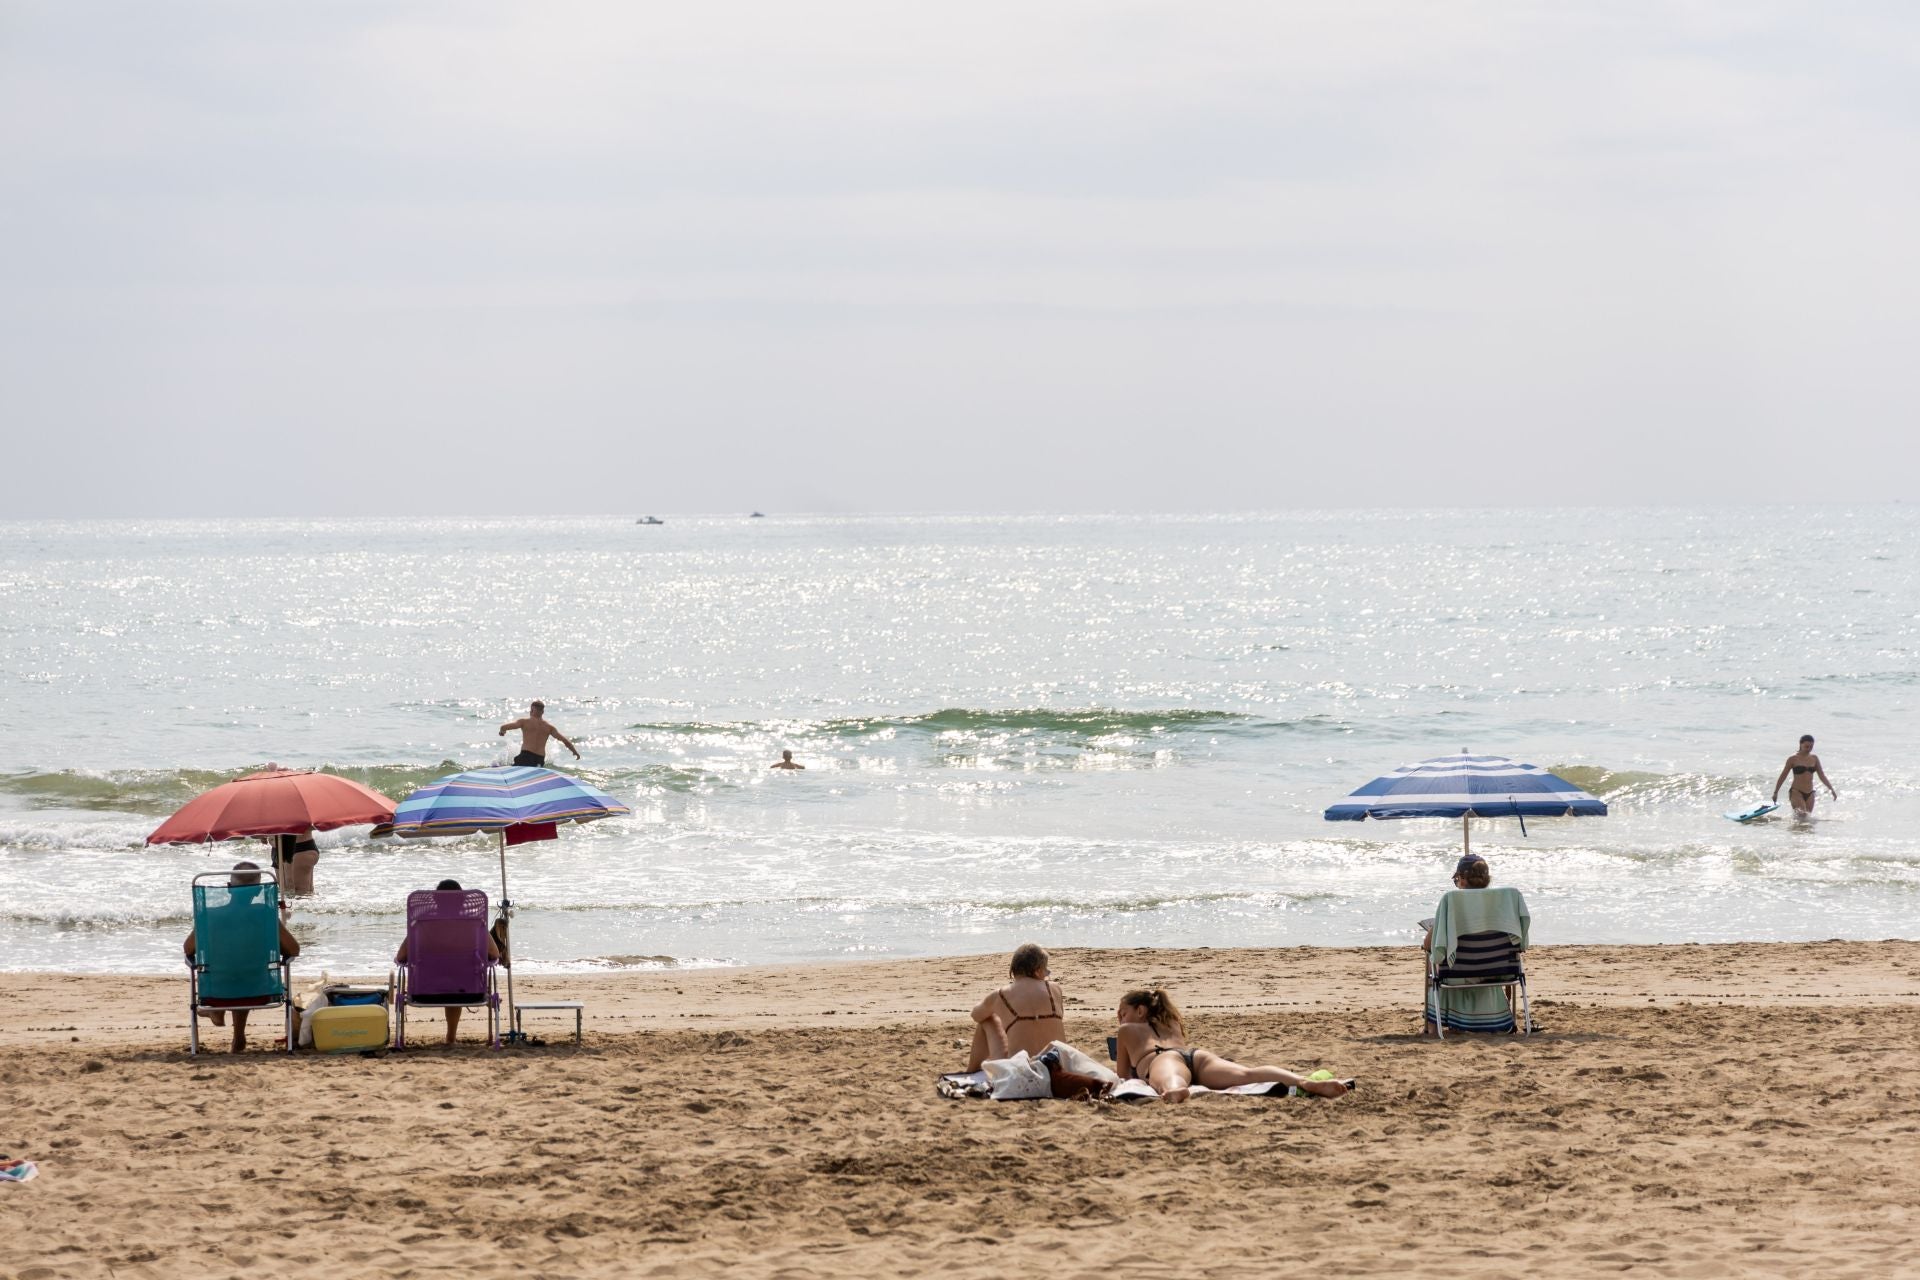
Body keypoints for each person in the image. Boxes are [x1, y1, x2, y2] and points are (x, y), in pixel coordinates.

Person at [1114, 987, 1349, 1103]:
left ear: (1140, 1010)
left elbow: (1124, 1075)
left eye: (1123, 1013)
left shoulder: (1126, 1030)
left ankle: (1176, 1090)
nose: (1120, 1019)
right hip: (1196, 1057)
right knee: (1246, 1074)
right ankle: (1302, 1081)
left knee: (1172, 1080)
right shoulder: (1171, 1021)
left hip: (1163, 1059)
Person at [183, 861, 301, 1054]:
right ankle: (238, 1036)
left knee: (233, 970)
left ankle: (215, 1011)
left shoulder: (210, 915)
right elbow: (294, 949)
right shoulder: (266, 914)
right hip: (260, 991)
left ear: (229, 888)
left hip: (214, 993)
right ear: (258, 891)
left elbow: (188, 949)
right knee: (246, 970)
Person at [394, 879, 507, 1045]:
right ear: (463, 900)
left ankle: (403, 1040)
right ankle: (451, 1038)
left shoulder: (421, 924)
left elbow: (401, 957)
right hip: (469, 993)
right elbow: (494, 953)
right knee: (457, 977)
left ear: (435, 900)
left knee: (449, 976)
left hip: (423, 993)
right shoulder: (475, 924)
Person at [965, 942, 1064, 1071]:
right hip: (1057, 1066)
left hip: (1020, 1072)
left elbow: (976, 1015)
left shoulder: (1001, 994)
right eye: (1046, 970)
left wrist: (995, 1008)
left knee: (989, 1019)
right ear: (1038, 971)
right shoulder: (1055, 989)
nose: (1047, 974)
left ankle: (971, 1072)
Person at [498, 700, 580, 768]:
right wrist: (574, 752)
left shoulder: (524, 722)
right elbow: (564, 740)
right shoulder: (549, 727)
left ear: (532, 710)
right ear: (543, 712)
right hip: (539, 759)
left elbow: (504, 727)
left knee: (513, 774)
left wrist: (502, 731)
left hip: (526, 756)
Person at [1773, 735, 1837, 816]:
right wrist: (1776, 792)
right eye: (1806, 746)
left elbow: (1822, 776)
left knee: (1807, 820)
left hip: (1810, 793)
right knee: (1802, 816)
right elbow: (1783, 776)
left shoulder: (1814, 758)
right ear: (1800, 744)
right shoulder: (1793, 759)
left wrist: (1832, 790)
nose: (1809, 749)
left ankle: (1794, 827)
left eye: (1811, 747)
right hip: (1796, 792)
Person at [271, 832, 319, 897]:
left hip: (299, 846)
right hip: (277, 848)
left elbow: (315, 825)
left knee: (301, 893)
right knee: (285, 891)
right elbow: (255, 834)